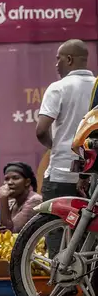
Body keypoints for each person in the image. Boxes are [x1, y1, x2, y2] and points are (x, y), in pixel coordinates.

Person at [37, 39, 95, 200]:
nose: (56, 65)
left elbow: (41, 131)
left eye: (58, 59)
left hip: (62, 174)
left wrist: (55, 147)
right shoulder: (96, 86)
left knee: (53, 215)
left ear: (69, 59)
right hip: (93, 175)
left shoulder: (58, 88)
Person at [0, 162, 42, 233]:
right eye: (6, 179)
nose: (9, 182)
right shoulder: (11, 202)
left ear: (27, 182)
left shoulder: (35, 201)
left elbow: (10, 232)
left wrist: (3, 198)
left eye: (15, 178)